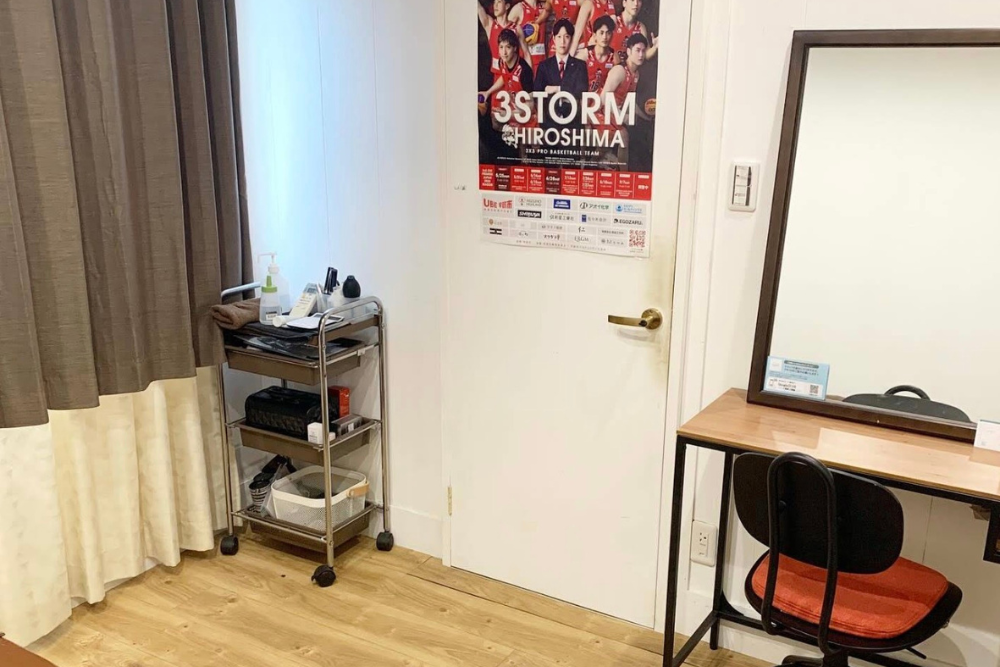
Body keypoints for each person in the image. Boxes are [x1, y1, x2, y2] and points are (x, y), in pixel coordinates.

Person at [598, 32, 648, 168]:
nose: (641, 55)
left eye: (643, 51)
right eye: (637, 50)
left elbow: (629, 101)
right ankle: (622, 173)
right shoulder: (619, 71)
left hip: (614, 113)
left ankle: (611, 164)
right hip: (600, 110)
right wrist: (620, 115)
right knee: (623, 135)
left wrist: (646, 117)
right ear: (629, 51)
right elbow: (603, 98)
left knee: (626, 135)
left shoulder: (636, 74)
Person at [533, 19, 589, 129]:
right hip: (549, 124)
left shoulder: (580, 65)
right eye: (559, 37)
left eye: (566, 37)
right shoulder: (544, 66)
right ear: (553, 39)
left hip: (573, 124)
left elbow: (581, 91)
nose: (562, 41)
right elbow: (537, 93)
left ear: (571, 39)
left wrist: (558, 89)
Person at [479, 29, 536, 132]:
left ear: (515, 48)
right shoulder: (502, 62)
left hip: (528, 119)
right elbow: (504, 76)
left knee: (529, 143)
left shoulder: (524, 71)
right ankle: (509, 132)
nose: (504, 52)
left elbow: (531, 106)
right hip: (514, 112)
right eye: (501, 47)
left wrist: (508, 114)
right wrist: (488, 92)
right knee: (494, 120)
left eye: (508, 47)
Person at [478, 0, 533, 73]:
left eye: (499, 2)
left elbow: (526, 53)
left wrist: (530, 75)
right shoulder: (490, 24)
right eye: (494, 2)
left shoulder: (516, 28)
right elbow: (479, 8)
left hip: (514, 76)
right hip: (497, 75)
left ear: (507, 6)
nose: (495, 6)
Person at [576, 14, 615, 93]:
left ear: (612, 35)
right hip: (583, 97)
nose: (604, 37)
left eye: (608, 33)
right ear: (594, 36)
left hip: (603, 98)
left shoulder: (614, 57)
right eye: (601, 33)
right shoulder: (584, 55)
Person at [509, 0, 552, 69]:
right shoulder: (518, 8)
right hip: (526, 64)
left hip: (542, 62)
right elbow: (506, 35)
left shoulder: (544, 7)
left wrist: (536, 23)